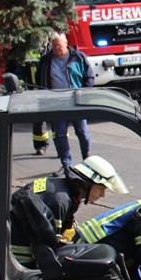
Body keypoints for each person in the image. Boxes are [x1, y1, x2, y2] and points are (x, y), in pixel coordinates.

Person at [9, 156, 128, 265]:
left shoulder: (63, 190)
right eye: (101, 188)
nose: (103, 195)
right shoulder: (60, 201)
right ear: (87, 183)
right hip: (18, 252)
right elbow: (47, 248)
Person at [36, 32, 96, 174]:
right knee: (60, 133)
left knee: (82, 131)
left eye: (59, 45)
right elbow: (40, 78)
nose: (57, 48)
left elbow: (89, 76)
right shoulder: (46, 60)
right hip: (57, 102)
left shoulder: (78, 57)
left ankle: (87, 158)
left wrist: (87, 94)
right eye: (54, 45)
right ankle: (67, 164)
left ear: (66, 43)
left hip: (77, 100)